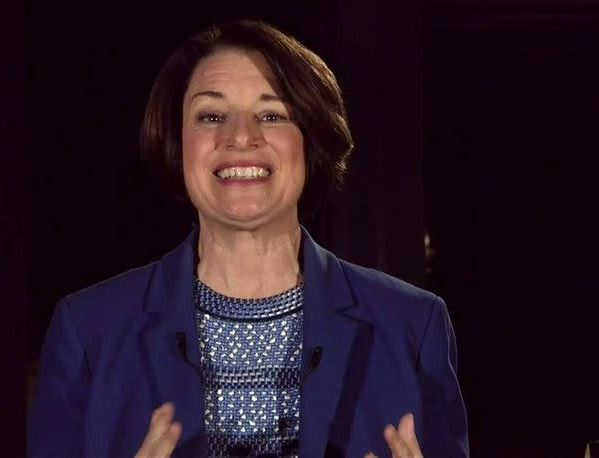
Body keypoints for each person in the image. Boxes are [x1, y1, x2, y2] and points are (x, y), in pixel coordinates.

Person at [28, 19, 468, 458]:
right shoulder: (88, 332)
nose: (240, 136)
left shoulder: (413, 324)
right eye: (211, 116)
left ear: (310, 141)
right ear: (177, 143)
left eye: (272, 114)